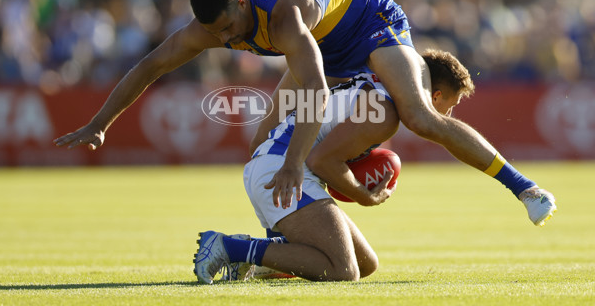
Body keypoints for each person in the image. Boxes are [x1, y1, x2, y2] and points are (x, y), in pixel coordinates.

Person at [53, 0, 556, 225]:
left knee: (420, 117)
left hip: (369, 24)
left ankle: (526, 189)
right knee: (257, 146)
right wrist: (101, 122)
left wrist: (297, 163)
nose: (228, 40)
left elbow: (312, 86)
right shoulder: (214, 27)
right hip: (319, 52)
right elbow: (150, 66)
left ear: (242, 2)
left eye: (231, 27)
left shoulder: (285, 15)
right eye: (217, 33)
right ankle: (282, 243)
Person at [193, 50, 473, 283]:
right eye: (452, 105)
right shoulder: (384, 112)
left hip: (279, 168)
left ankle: (253, 259)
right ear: (434, 96)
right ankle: (229, 247)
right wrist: (366, 196)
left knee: (365, 264)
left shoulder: (376, 85)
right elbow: (321, 161)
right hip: (281, 171)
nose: (449, 116)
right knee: (344, 271)